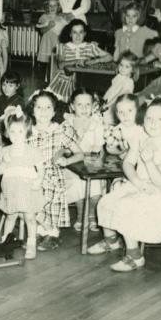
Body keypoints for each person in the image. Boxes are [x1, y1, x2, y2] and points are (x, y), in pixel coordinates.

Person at [89, 98, 161, 272]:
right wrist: (137, 182)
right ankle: (112, 241)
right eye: (149, 118)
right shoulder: (141, 138)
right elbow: (127, 164)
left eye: (159, 119)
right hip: (140, 185)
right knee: (106, 201)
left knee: (126, 206)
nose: (153, 123)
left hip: (160, 194)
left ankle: (135, 256)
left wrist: (149, 162)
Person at [27, 90, 84, 251]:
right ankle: (38, 231)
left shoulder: (61, 131)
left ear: (54, 111)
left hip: (51, 175)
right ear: (32, 110)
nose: (43, 112)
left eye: (48, 108)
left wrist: (66, 160)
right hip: (32, 174)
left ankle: (52, 233)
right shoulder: (28, 131)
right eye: (39, 107)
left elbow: (80, 154)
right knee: (30, 199)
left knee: (48, 198)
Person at [0, 106, 45, 259]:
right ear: (7, 133)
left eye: (20, 132)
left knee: (29, 217)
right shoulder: (4, 151)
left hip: (28, 189)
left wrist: (39, 180)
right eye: (12, 132)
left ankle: (31, 243)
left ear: (27, 133)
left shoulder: (33, 150)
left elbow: (41, 168)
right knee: (11, 216)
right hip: (11, 190)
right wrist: (4, 162)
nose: (16, 136)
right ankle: (6, 242)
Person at [62, 88, 105, 232]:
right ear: (72, 106)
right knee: (78, 187)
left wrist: (93, 153)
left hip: (91, 162)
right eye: (80, 105)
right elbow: (66, 147)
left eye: (88, 105)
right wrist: (78, 135)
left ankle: (92, 215)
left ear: (93, 106)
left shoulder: (96, 123)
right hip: (73, 164)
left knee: (95, 190)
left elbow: (98, 144)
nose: (84, 109)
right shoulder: (68, 123)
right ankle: (81, 216)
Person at [47, 19, 113, 102]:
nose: (78, 36)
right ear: (70, 34)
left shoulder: (90, 46)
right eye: (74, 32)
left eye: (81, 32)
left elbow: (109, 56)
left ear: (85, 34)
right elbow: (61, 64)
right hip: (66, 81)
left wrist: (95, 61)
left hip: (86, 81)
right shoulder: (63, 47)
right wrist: (76, 61)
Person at [105, 94, 147, 160]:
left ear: (137, 111)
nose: (125, 115)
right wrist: (121, 150)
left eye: (130, 110)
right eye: (121, 112)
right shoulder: (117, 130)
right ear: (117, 114)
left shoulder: (143, 127)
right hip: (125, 162)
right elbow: (109, 149)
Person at [102, 52, 137, 124]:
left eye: (127, 67)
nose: (123, 68)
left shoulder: (129, 82)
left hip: (115, 107)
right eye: (121, 65)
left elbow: (119, 96)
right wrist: (103, 100)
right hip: (107, 104)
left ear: (133, 69)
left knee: (108, 122)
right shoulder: (119, 77)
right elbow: (110, 91)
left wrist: (108, 105)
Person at [36, 0, 68, 64]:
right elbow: (41, 31)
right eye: (50, 5)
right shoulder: (44, 16)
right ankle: (47, 74)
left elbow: (65, 30)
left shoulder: (61, 17)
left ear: (58, 7)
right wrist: (49, 27)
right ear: (47, 6)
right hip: (47, 43)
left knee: (56, 63)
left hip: (57, 43)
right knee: (47, 64)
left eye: (54, 5)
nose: (52, 7)